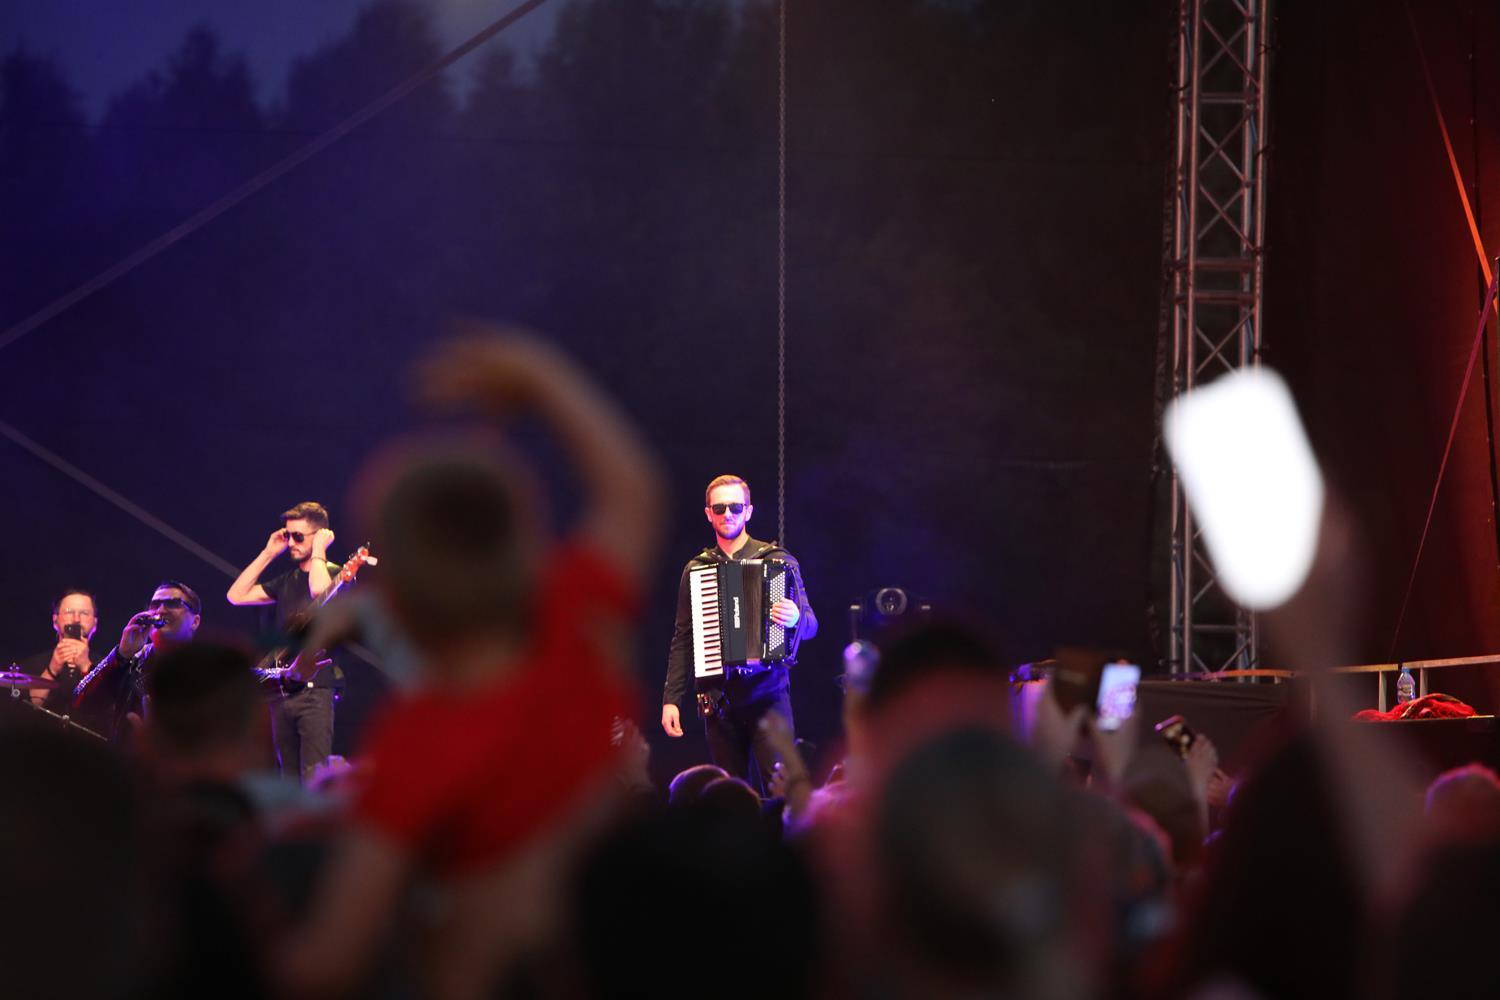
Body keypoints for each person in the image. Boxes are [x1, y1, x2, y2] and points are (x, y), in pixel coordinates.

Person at [279, 327, 664, 998]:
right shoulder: (575, 633)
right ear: (527, 549)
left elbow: (331, 961)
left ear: (396, 599)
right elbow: (634, 493)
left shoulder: (416, 741)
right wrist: (540, 376)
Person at [661, 475, 818, 792]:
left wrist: (795, 618)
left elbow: (812, 625)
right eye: (720, 508)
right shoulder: (698, 568)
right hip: (720, 701)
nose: (728, 514)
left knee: (783, 790)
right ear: (709, 514)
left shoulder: (777, 561)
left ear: (748, 511)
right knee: (730, 794)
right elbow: (684, 637)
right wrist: (671, 699)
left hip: (768, 696)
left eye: (735, 507)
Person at [227, 501, 342, 780]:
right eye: (288, 535)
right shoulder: (287, 579)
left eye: (298, 536)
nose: (290, 543)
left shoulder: (336, 573)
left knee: (314, 774)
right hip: (281, 689)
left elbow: (319, 590)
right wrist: (268, 553)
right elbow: (236, 595)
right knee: (287, 777)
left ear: (321, 534)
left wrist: (319, 550)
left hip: (315, 689)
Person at [73, 581, 202, 741]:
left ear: (195, 621)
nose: (160, 610)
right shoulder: (132, 658)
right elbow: (81, 704)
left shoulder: (206, 671)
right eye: (155, 604)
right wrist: (121, 654)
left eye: (172, 603)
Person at [11, 588, 100, 713]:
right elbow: (27, 711)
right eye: (69, 611)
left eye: (84, 613)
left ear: (95, 623)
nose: (76, 619)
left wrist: (86, 666)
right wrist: (52, 670)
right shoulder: (32, 665)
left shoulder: (108, 665)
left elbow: (108, 709)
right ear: (55, 620)